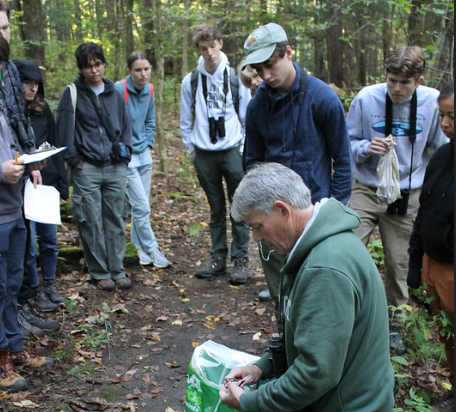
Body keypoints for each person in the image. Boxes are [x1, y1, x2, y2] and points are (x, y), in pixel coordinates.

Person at [220, 162, 453, 412]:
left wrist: (251, 402)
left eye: (257, 226)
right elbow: (297, 333)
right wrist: (262, 367)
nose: (256, 238)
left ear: (282, 210)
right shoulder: (310, 247)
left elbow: (315, 373)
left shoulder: (324, 266)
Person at [241, 23, 353, 303]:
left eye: (270, 65)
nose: (265, 76)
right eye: (258, 70)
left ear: (288, 52)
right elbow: (252, 162)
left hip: (315, 217)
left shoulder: (322, 98)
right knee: (284, 299)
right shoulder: (257, 106)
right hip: (273, 220)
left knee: (318, 296)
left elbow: (343, 161)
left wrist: (334, 213)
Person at [347, 46, 448, 353]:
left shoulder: (432, 103)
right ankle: (348, 314)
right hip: (367, 187)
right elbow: (347, 142)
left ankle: (396, 324)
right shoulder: (367, 98)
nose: (396, 89)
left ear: (419, 80)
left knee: (398, 262)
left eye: (404, 82)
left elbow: (441, 149)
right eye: (391, 80)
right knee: (347, 247)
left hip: (407, 194)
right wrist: (366, 147)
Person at [56, 42, 133, 292]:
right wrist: (75, 160)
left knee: (116, 219)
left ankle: (118, 269)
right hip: (86, 166)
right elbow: (64, 131)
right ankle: (100, 272)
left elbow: (125, 124)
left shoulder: (115, 92)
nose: (94, 70)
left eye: (97, 64)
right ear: (81, 68)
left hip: (114, 166)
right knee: (89, 220)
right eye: (88, 66)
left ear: (104, 64)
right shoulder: (72, 93)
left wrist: (125, 154)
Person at [0, 39, 54, 395]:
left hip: (14, 203)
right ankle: (2, 356)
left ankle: (15, 348)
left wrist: (28, 163)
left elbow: (12, 141)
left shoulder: (7, 99)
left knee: (14, 282)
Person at [180, 24, 251, 285]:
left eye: (212, 46)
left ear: (220, 43)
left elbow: (246, 115)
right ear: (198, 49)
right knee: (215, 208)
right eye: (203, 48)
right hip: (205, 153)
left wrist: (242, 149)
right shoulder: (191, 80)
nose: (209, 52)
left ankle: (241, 259)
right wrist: (192, 149)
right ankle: (217, 256)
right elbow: (185, 120)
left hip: (232, 150)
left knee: (240, 206)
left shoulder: (235, 77)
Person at [408, 80, 454, 412]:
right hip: (433, 266)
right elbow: (423, 214)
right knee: (448, 336)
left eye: (453, 116)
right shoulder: (441, 156)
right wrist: (414, 265)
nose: (446, 123)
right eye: (442, 115)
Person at [13, 59, 67, 338]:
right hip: (20, 185)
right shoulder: (12, 111)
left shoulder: (43, 109)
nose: (32, 88)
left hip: (46, 183)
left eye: (36, 83)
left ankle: (49, 284)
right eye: (27, 82)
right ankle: (32, 292)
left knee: (49, 240)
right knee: (28, 246)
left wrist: (62, 183)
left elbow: (54, 144)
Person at [115, 51, 170, 269]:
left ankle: (138, 246)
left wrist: (148, 143)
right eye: (138, 70)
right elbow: (113, 121)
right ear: (129, 71)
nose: (143, 74)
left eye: (146, 69)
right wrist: (122, 150)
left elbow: (150, 120)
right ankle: (153, 247)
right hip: (127, 158)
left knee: (141, 207)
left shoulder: (150, 90)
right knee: (142, 207)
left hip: (144, 155)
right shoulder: (120, 89)